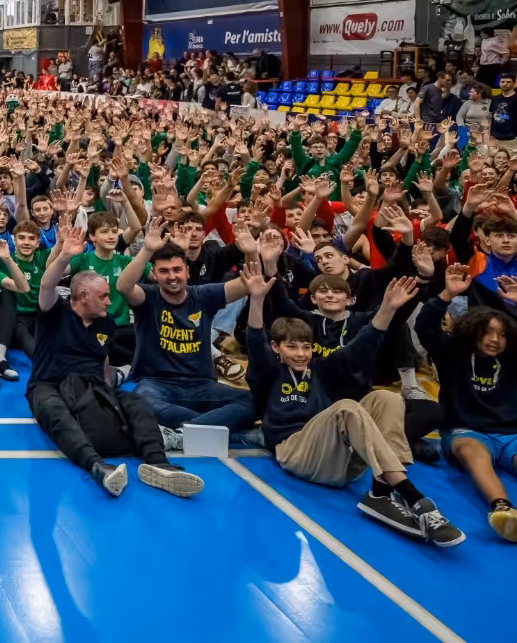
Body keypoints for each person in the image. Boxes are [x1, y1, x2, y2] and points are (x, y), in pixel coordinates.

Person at [244, 269, 462, 546]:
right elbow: (254, 338)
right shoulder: (268, 372)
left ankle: (381, 492)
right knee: (346, 407)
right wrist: (257, 298)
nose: (300, 354)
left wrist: (388, 308)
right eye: (291, 347)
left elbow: (360, 346)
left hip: (334, 459)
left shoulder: (320, 369)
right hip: (294, 451)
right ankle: (413, 496)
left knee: (387, 398)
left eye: (306, 347)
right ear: (276, 347)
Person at [28, 221, 204, 499]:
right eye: (104, 296)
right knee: (54, 412)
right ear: (83, 297)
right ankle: (97, 466)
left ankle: (158, 464)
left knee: (136, 403)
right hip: (48, 383)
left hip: (93, 384)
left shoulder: (105, 322)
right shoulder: (55, 313)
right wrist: (65, 254)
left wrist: (110, 390)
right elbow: (47, 284)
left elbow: (104, 360)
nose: (110, 302)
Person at [114, 223, 257, 440]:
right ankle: (215, 427)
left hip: (201, 385)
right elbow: (123, 286)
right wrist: (147, 250)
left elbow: (249, 284)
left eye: (177, 270)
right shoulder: (149, 297)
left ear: (187, 272)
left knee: (254, 401)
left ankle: (185, 431)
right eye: (164, 271)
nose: (172, 276)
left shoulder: (203, 295)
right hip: (156, 384)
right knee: (142, 402)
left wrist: (251, 252)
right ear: (154, 274)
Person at [415, 263, 517, 542]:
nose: (496, 340)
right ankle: (503, 509)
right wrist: (447, 294)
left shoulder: (511, 357)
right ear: (473, 331)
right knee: (473, 452)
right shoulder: (452, 354)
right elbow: (425, 327)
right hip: (466, 431)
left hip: (511, 434)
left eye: (503, 333)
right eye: (488, 332)